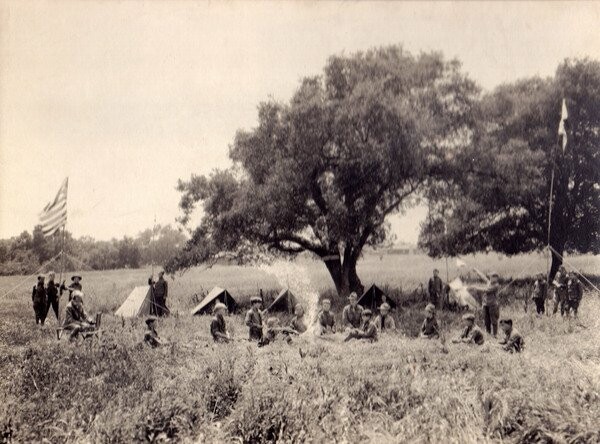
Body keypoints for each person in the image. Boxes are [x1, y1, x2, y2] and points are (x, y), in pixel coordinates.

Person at [470, 272, 500, 337]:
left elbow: (486, 290)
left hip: (493, 305)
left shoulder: (496, 285)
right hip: (485, 304)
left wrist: (476, 287)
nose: (491, 279)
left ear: (496, 279)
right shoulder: (489, 282)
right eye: (491, 277)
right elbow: (484, 277)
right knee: (486, 320)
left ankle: (495, 334)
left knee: (494, 320)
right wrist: (477, 272)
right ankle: (488, 333)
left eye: (493, 278)